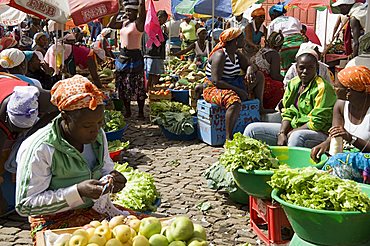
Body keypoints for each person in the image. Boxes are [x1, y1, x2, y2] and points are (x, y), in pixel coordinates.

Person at [15, 75, 128, 243]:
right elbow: (25, 204)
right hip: (52, 219)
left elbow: (105, 167)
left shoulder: (97, 136)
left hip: (94, 211)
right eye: (87, 126)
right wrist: (77, 192)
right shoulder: (40, 148)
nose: (95, 130)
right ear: (65, 118)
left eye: (99, 123)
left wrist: (112, 178)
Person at [244, 52, 337, 147]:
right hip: (294, 127)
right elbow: (288, 111)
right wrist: (282, 133)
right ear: (296, 68)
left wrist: (293, 131)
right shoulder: (293, 83)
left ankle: (290, 161)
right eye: (301, 68)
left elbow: (317, 122)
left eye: (310, 68)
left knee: (295, 136)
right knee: (252, 130)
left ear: (316, 68)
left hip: (317, 132)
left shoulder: (322, 87)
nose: (305, 71)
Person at [0, 78, 56, 217]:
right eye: (16, 129)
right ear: (6, 118)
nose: (19, 133)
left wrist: (33, 133)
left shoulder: (43, 99)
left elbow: (59, 108)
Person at [203, 28, 264, 140]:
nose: (244, 40)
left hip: (232, 82)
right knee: (234, 101)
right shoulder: (220, 55)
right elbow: (216, 81)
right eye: (242, 38)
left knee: (259, 76)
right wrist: (238, 90)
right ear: (235, 41)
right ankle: (228, 137)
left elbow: (252, 65)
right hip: (213, 87)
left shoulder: (236, 54)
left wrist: (250, 68)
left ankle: (261, 107)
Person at [311, 66, 370, 162]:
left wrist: (351, 138)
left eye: (336, 86)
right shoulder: (340, 105)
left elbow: (346, 136)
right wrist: (325, 144)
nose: (333, 88)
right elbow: (336, 133)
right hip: (345, 157)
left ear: (348, 91)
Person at [108, 0, 146, 119]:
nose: (128, 13)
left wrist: (142, 1)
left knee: (138, 86)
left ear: (136, 12)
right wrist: (117, 10)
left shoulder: (138, 24)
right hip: (122, 57)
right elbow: (111, 24)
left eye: (130, 11)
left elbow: (142, 10)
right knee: (123, 86)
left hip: (135, 58)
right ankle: (128, 110)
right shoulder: (124, 23)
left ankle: (140, 112)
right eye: (127, 10)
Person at [268, 3, 305, 76]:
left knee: (284, 69)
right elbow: (301, 30)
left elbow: (270, 39)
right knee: (299, 67)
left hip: (286, 47)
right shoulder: (294, 19)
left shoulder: (273, 23)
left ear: (273, 15)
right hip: (301, 46)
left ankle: (285, 84)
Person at [253, 31, 284, 110]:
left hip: (256, 77)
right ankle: (272, 109)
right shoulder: (274, 54)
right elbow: (275, 75)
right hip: (264, 80)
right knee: (280, 87)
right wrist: (286, 79)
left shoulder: (262, 50)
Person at [143, 10, 168, 89]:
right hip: (152, 54)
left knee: (155, 75)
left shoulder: (156, 27)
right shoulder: (152, 27)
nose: (165, 21)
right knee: (151, 76)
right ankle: (149, 91)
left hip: (155, 54)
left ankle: (152, 91)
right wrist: (164, 36)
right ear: (159, 17)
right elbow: (155, 40)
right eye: (164, 19)